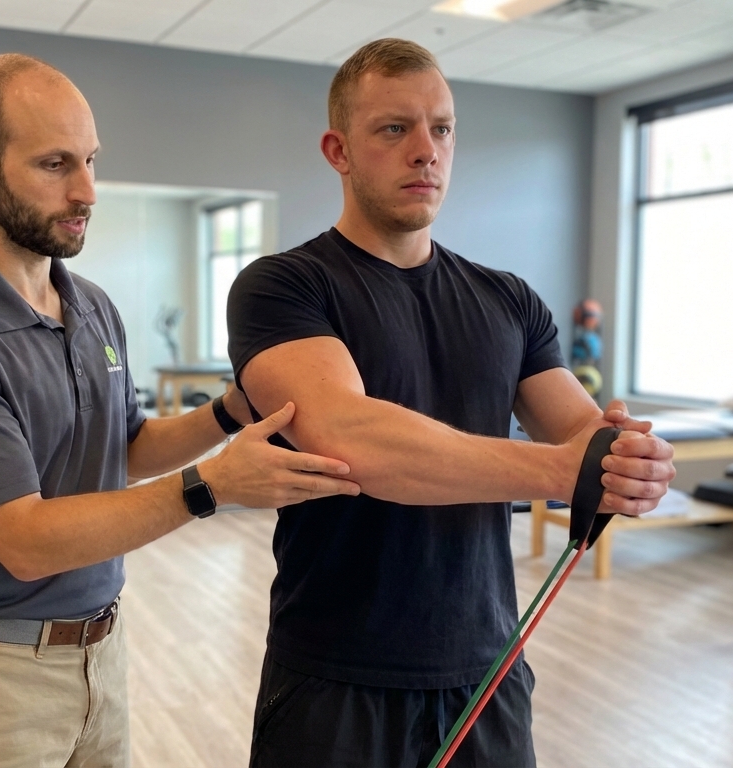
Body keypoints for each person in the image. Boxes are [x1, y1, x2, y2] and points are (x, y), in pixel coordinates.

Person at [0, 53, 360, 768]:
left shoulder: (91, 306)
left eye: (91, 160)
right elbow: (25, 540)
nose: (87, 191)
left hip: (101, 653)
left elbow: (126, 448)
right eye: (54, 165)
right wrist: (213, 486)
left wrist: (231, 410)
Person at [227, 39, 678, 767]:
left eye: (441, 129)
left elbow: (582, 432)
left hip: (487, 671)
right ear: (339, 151)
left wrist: (628, 459)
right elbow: (349, 438)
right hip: (336, 679)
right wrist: (562, 470)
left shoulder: (509, 300)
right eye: (394, 128)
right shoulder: (285, 286)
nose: (425, 151)